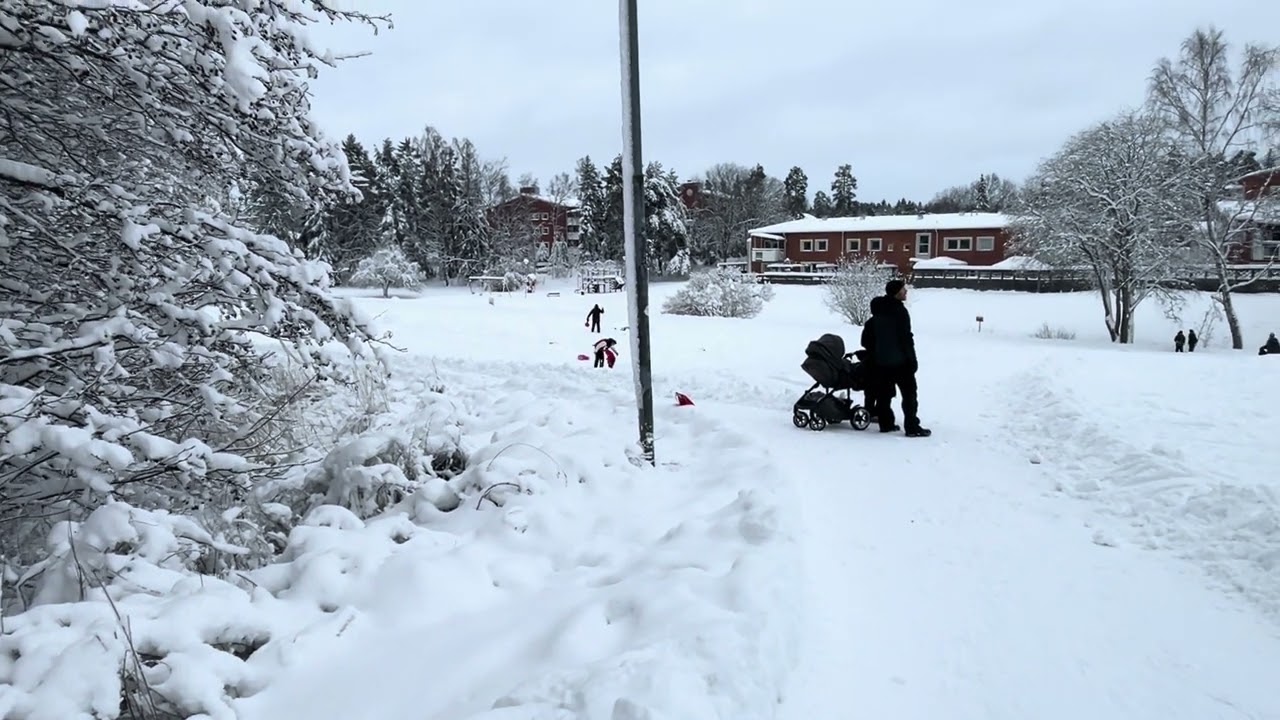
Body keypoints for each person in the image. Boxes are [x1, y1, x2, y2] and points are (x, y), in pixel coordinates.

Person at [868, 279, 930, 437]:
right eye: (903, 290)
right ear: (896, 293)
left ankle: (886, 423)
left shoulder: (877, 312)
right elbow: (906, 338)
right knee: (909, 395)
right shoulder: (900, 312)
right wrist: (912, 360)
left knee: (884, 395)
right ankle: (912, 427)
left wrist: (877, 353)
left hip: (881, 362)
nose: (906, 292)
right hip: (901, 362)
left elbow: (867, 339)